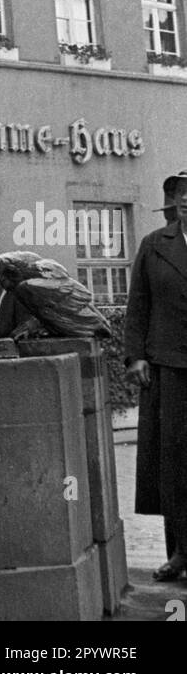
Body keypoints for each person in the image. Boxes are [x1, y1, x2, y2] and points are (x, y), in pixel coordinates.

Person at [125, 168, 187, 581]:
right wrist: (136, 357)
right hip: (170, 367)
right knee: (175, 460)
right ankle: (182, 551)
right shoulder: (154, 245)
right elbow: (138, 304)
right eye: (183, 194)